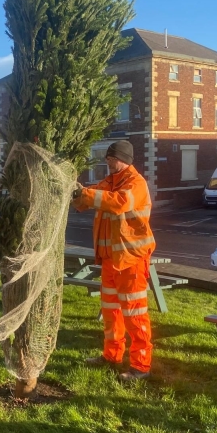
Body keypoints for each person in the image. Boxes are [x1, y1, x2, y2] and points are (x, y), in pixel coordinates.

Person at [72, 140, 155, 381]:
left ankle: (141, 366)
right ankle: (111, 355)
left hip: (131, 261)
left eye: (112, 159)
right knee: (111, 312)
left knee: (134, 314)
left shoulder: (136, 183)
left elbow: (119, 203)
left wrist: (85, 193)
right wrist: (74, 192)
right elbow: (87, 200)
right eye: (107, 159)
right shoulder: (109, 182)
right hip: (110, 261)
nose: (108, 163)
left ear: (125, 159)